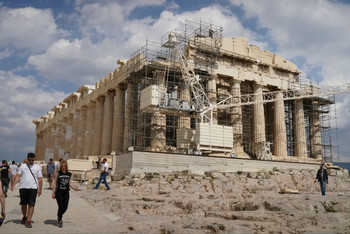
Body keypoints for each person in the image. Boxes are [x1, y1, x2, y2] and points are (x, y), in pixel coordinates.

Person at [10, 153, 43, 228]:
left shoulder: (37, 167)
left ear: (34, 159)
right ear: (27, 159)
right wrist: (13, 184)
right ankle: (24, 216)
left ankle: (28, 220)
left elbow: (40, 178)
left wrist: (40, 189)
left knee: (31, 204)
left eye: (33, 160)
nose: (31, 161)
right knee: (23, 204)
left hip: (33, 188)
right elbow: (18, 176)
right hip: (23, 187)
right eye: (30, 160)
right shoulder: (23, 166)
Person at [52, 160, 80, 228]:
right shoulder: (58, 173)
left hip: (66, 192)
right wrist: (53, 192)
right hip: (59, 192)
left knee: (65, 207)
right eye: (62, 166)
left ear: (66, 166)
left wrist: (75, 188)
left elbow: (70, 183)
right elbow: (55, 183)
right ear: (61, 166)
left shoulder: (69, 174)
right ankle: (60, 220)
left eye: (65, 166)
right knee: (61, 206)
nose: (63, 167)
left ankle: (59, 215)